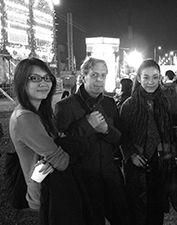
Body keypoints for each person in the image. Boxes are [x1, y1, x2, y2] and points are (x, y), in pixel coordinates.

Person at [55, 57, 130, 225]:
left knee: (123, 218)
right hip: (83, 181)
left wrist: (106, 130)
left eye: (103, 75)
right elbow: (62, 147)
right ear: (84, 76)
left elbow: (120, 138)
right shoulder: (65, 106)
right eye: (95, 74)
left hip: (111, 178)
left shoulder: (110, 104)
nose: (99, 80)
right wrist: (87, 125)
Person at [120, 59, 177, 225]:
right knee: (138, 208)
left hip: (161, 161)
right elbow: (123, 135)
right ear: (138, 78)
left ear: (160, 78)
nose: (151, 82)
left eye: (155, 77)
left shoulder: (164, 102)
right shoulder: (129, 105)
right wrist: (131, 154)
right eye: (146, 77)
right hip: (137, 162)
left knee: (156, 207)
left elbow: (167, 131)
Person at [9, 57, 70, 220]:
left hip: (48, 190)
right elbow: (62, 162)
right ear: (22, 82)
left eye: (47, 78)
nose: (44, 83)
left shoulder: (38, 113)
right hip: (44, 195)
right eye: (35, 78)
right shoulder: (25, 118)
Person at [162, 70, 177, 158]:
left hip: (166, 114)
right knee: (175, 133)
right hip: (176, 112)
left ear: (166, 76)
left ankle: (168, 152)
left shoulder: (162, 88)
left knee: (167, 133)